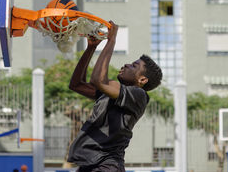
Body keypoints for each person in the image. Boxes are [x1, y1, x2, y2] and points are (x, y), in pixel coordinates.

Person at [67, 22, 163, 171]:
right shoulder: (110, 93)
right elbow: (76, 85)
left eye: (134, 66)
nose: (126, 65)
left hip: (107, 165)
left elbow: (98, 80)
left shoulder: (139, 95)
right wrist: (91, 47)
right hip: (90, 164)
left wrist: (111, 40)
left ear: (142, 80)